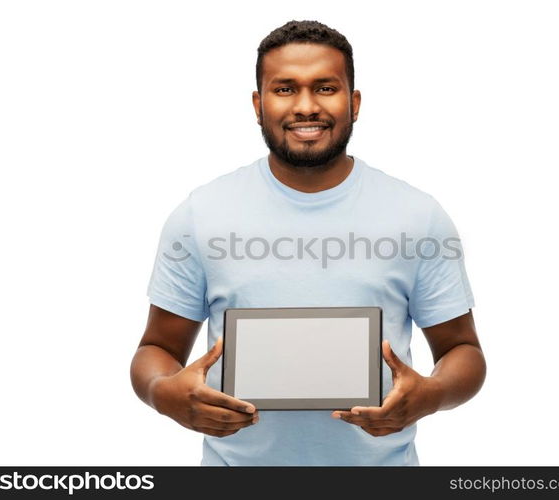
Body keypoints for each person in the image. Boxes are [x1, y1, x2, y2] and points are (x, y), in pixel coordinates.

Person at [130, 19, 486, 466]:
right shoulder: (200, 214)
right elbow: (156, 349)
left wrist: (431, 394)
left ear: (354, 103)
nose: (305, 106)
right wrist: (164, 394)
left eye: (325, 87)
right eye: (284, 89)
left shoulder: (418, 215)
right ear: (258, 105)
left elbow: (463, 351)